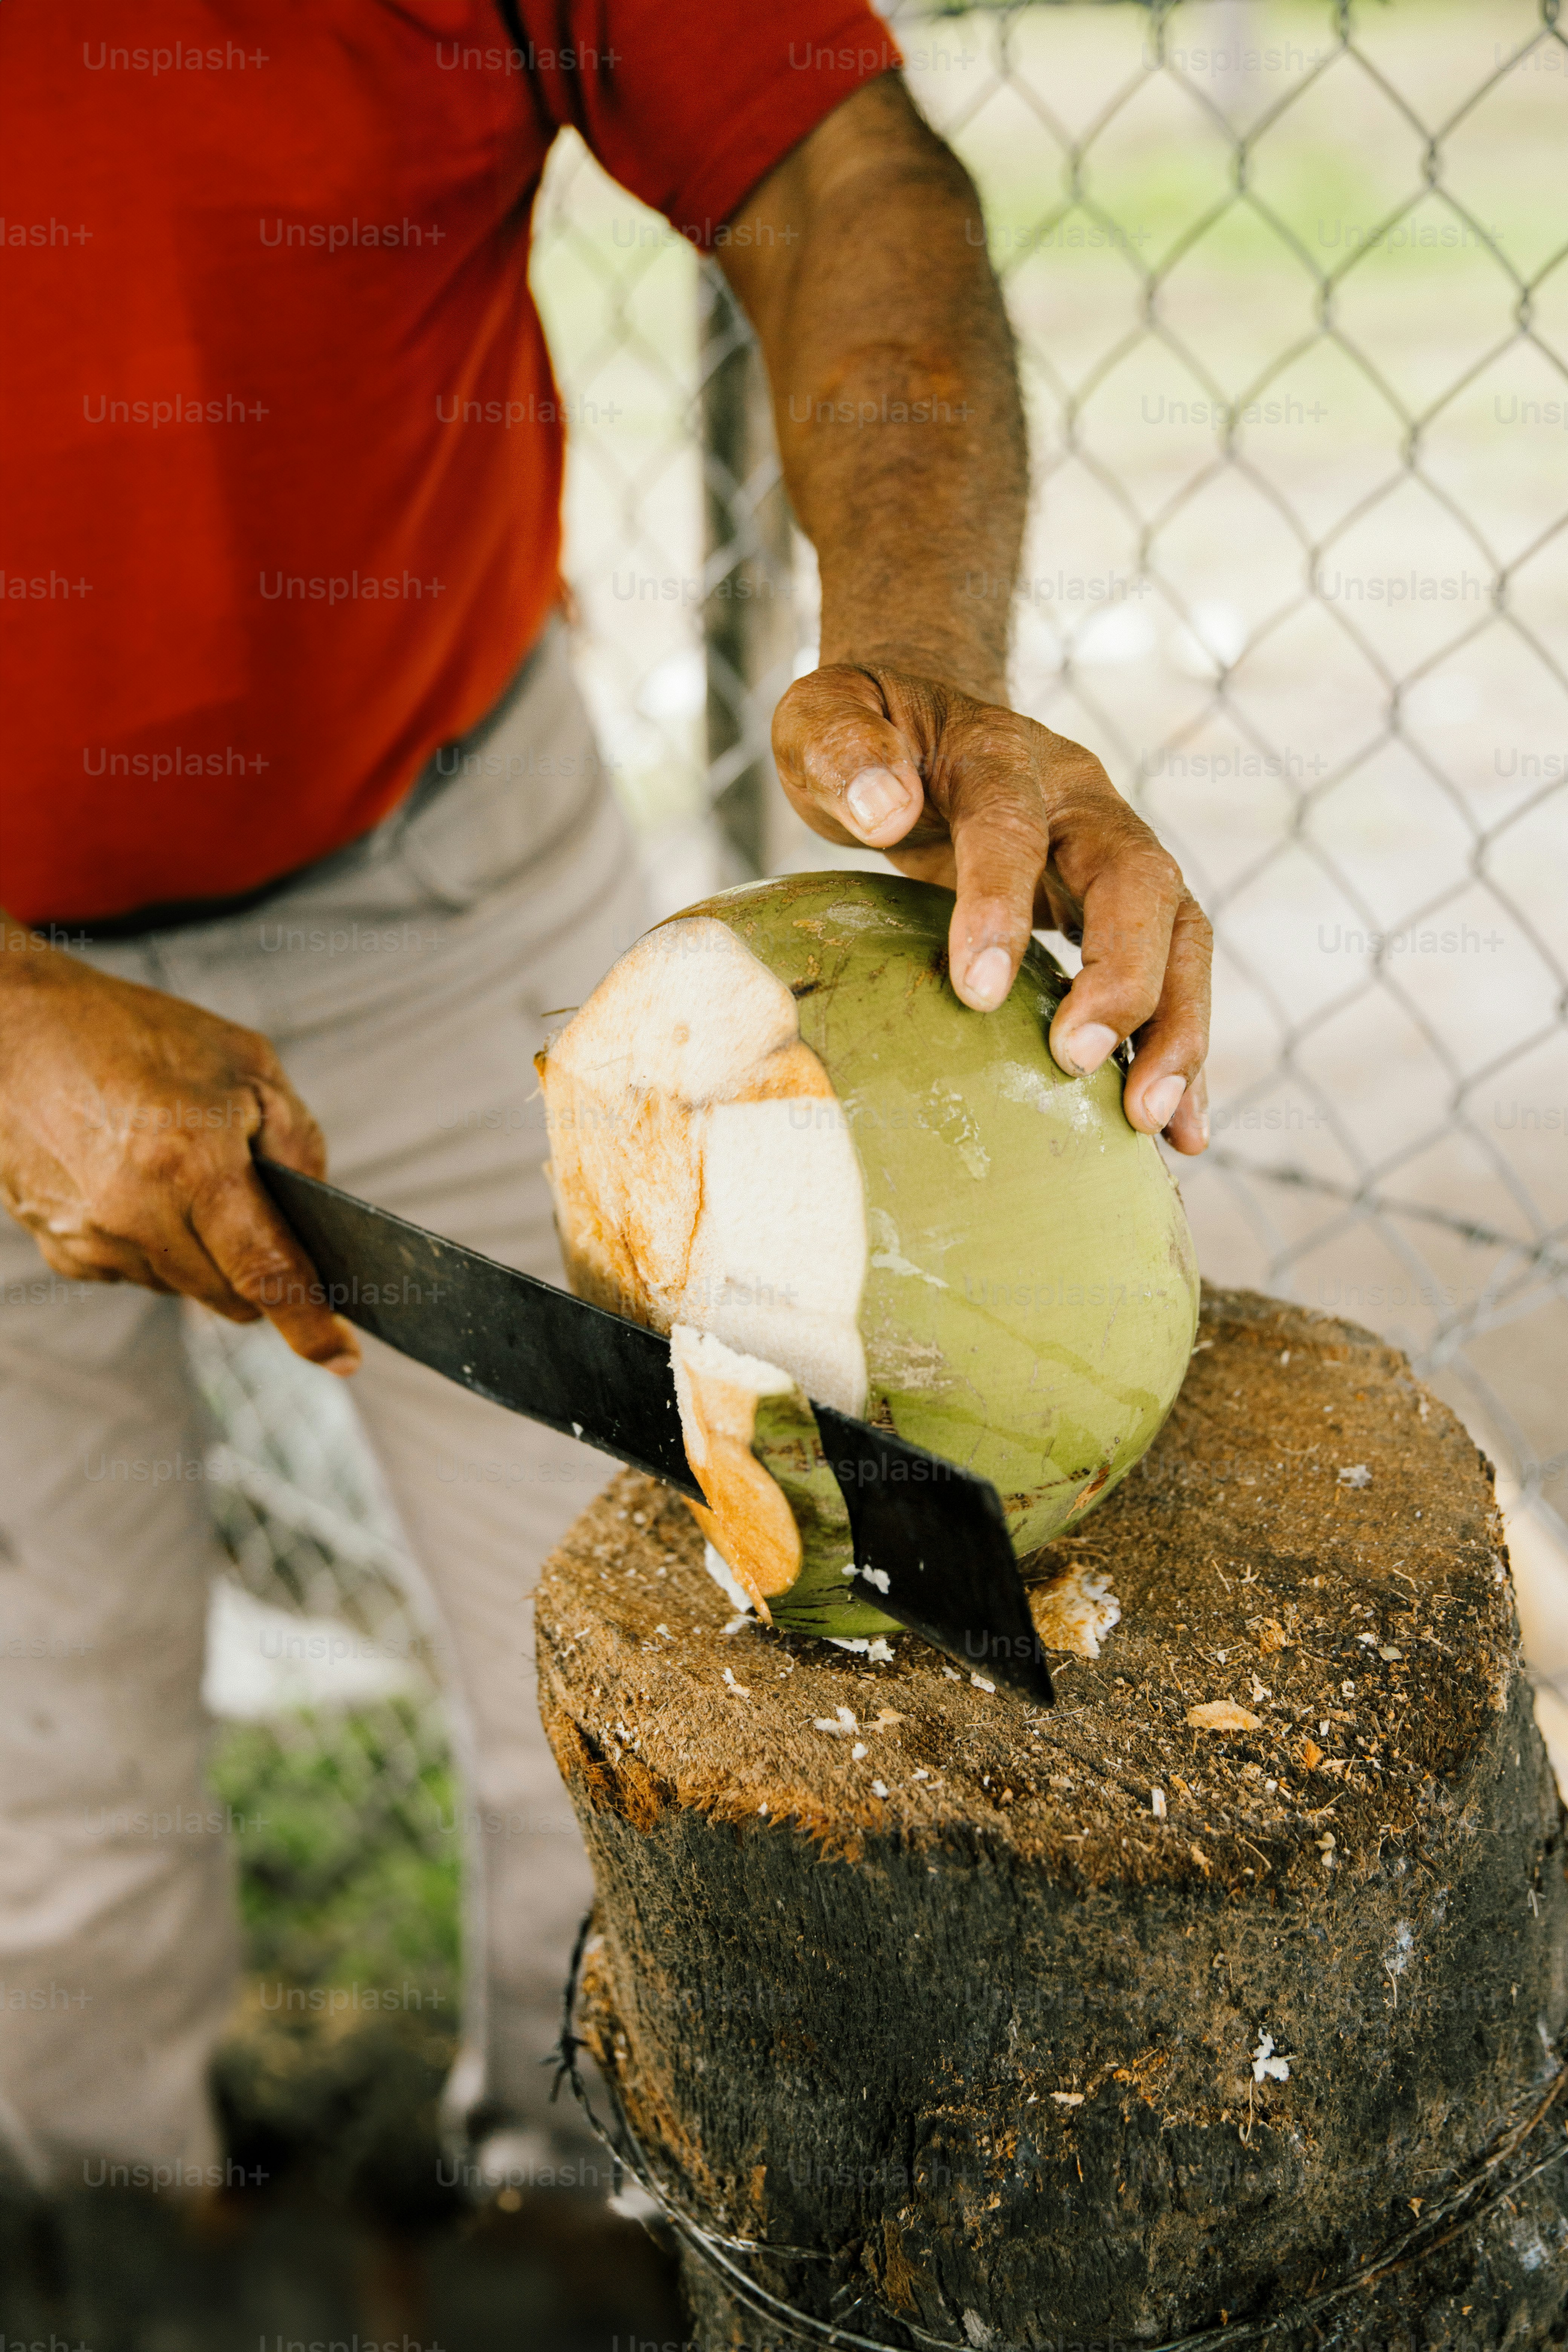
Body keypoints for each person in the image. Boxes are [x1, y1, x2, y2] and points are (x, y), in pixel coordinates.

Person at [0, 1, 1211, 2188]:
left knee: (621, 1726)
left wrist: (921, 664)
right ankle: (113, 2247)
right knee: (44, 1807)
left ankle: (587, 2215)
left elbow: (839, 169)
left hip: (440, 859)